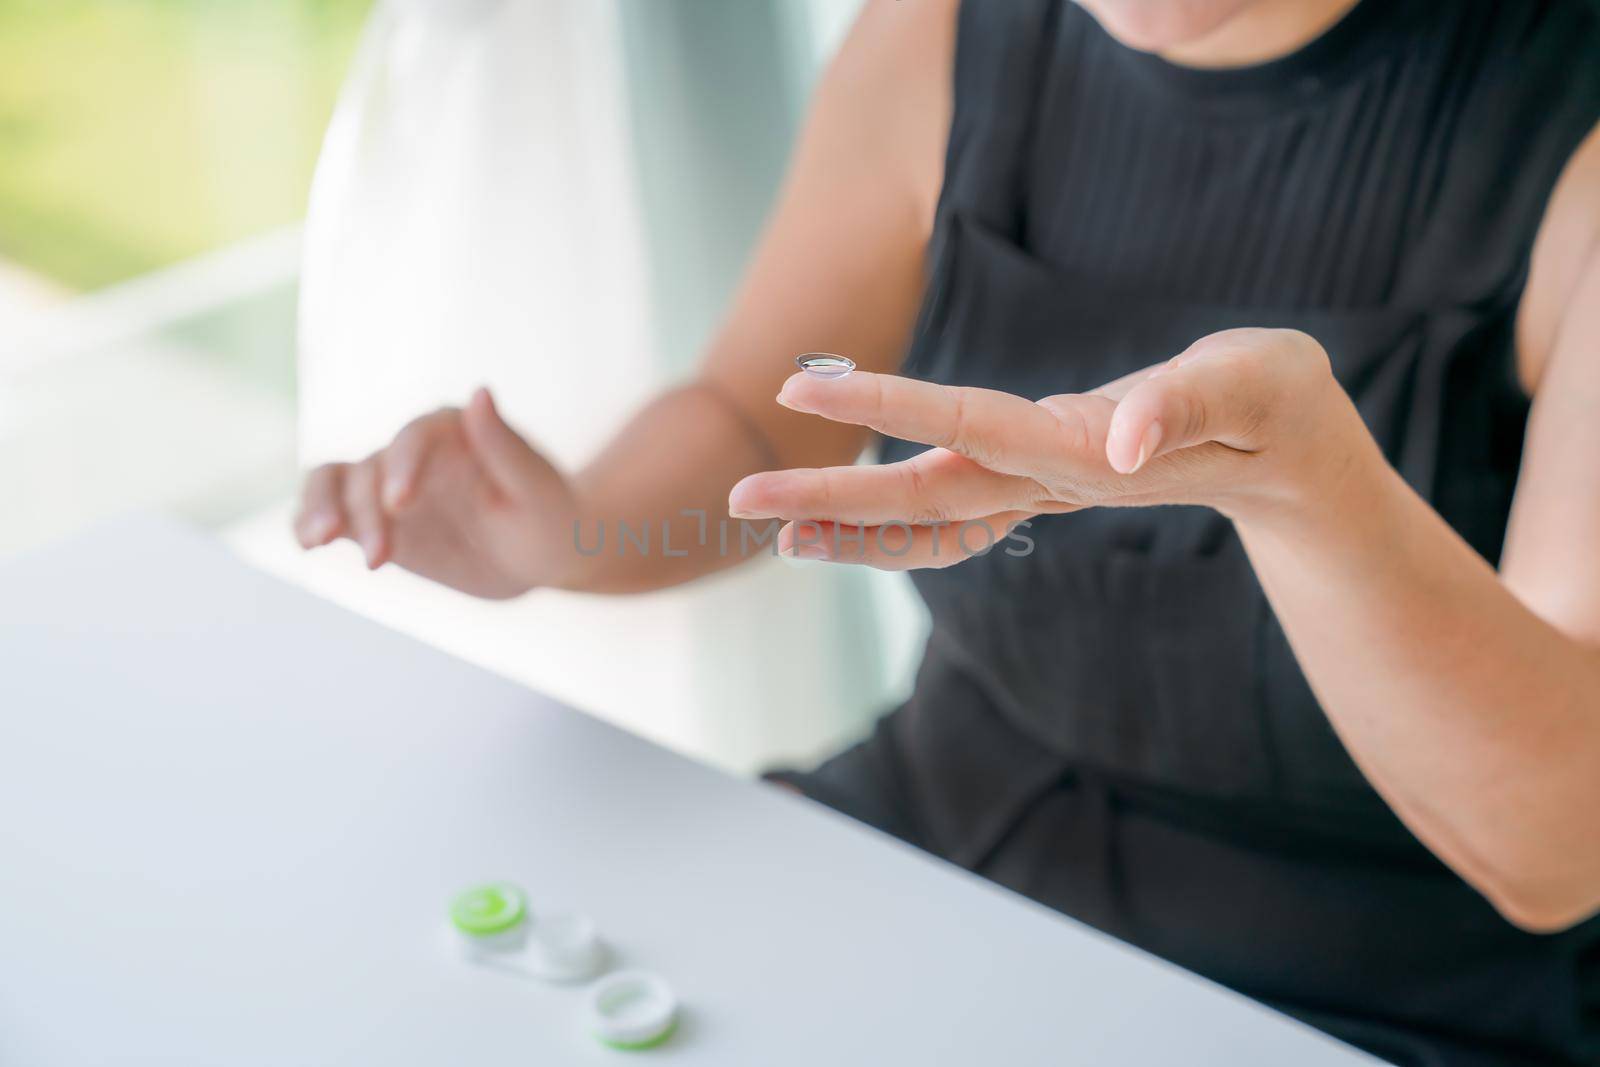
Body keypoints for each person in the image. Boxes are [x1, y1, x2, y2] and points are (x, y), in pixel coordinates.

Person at [295, 0, 1600, 1060]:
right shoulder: (942, 34)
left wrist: (1311, 496)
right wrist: (573, 539)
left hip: (1397, 986)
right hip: (954, 826)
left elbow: (1555, 850)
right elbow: (756, 425)